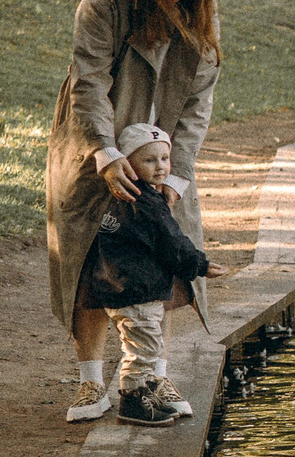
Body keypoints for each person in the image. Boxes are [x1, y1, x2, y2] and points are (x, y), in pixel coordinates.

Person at [49, 0, 222, 423]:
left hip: (160, 148)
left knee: (161, 258)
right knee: (87, 256)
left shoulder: (202, 14)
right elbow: (88, 81)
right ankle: (89, 383)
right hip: (94, 134)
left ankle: (151, 377)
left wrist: (175, 178)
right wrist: (102, 151)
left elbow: (196, 107)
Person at [74, 122, 210, 425]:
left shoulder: (129, 200)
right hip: (140, 291)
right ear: (129, 164)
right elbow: (173, 242)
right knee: (144, 345)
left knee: (141, 344)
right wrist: (201, 265)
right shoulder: (148, 204)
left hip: (127, 289)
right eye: (149, 160)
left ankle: (146, 392)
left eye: (164, 159)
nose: (160, 167)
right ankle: (134, 402)